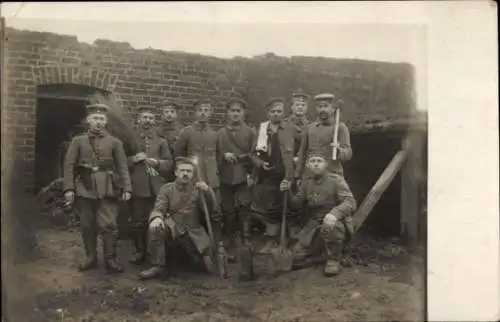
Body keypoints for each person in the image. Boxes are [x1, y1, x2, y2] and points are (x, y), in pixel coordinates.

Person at [63, 103, 132, 273]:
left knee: (109, 223)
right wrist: (69, 189)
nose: (99, 122)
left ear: (106, 121)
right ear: (88, 120)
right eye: (95, 118)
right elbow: (69, 165)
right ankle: (91, 257)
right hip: (85, 187)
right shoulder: (78, 141)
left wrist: (127, 188)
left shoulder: (115, 142)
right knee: (87, 224)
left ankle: (110, 259)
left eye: (102, 119)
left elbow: (122, 166)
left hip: (107, 187)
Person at [138, 156, 220, 280]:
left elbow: (213, 208)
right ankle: (157, 265)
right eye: (182, 171)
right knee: (157, 228)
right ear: (176, 172)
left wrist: (208, 191)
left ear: (193, 174)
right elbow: (159, 208)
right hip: (173, 227)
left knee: (204, 267)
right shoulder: (167, 189)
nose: (185, 174)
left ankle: (185, 261)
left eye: (189, 171)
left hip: (193, 231)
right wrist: (157, 218)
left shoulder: (198, 190)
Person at [282, 152, 357, 277]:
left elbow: (350, 202)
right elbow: (296, 205)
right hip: (314, 225)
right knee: (296, 256)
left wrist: (334, 214)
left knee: (332, 228)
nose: (316, 164)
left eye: (319, 161)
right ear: (308, 166)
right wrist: (287, 191)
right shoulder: (307, 183)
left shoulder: (336, 180)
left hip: (335, 223)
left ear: (326, 164)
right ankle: (320, 256)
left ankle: (333, 259)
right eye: (313, 161)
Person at [128, 105, 173, 265]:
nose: (147, 121)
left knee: (156, 218)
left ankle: (154, 252)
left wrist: (158, 162)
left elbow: (169, 163)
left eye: (151, 118)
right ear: (138, 120)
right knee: (138, 220)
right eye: (144, 117)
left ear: (155, 121)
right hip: (138, 185)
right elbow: (119, 161)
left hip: (156, 186)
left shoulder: (161, 141)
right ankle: (139, 251)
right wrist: (133, 160)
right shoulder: (130, 139)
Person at [249, 97, 295, 254]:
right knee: (271, 207)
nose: (276, 114)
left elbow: (303, 145)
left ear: (283, 112)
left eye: (279, 111)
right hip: (269, 175)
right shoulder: (261, 130)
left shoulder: (291, 129)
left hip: (287, 174)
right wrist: (261, 164)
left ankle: (289, 239)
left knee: (289, 205)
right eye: (273, 111)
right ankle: (271, 238)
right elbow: (252, 153)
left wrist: (295, 161)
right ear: (268, 113)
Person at [216, 94, 256, 254]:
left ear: (243, 112)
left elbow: (255, 154)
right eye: (232, 111)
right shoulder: (220, 133)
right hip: (225, 173)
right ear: (227, 113)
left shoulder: (250, 132)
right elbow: (215, 153)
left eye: (238, 111)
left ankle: (246, 237)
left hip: (243, 173)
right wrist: (224, 156)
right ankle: (229, 236)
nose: (235, 114)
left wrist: (251, 174)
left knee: (245, 206)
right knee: (227, 208)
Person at [295, 93, 352, 179]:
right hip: (311, 176)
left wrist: (339, 150)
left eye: (326, 106)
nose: (323, 110)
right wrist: (298, 175)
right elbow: (302, 154)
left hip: (333, 175)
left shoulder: (340, 127)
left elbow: (348, 153)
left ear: (332, 109)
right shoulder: (310, 128)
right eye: (320, 107)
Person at [158, 100, 183, 181]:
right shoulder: (157, 130)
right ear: (162, 115)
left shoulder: (181, 131)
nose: (169, 114)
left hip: (177, 164)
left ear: (176, 114)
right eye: (166, 112)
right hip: (162, 165)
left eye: (172, 112)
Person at [284, 89, 312, 161]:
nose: (300, 107)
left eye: (303, 105)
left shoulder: (311, 126)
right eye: (297, 105)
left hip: (304, 161)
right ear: (292, 107)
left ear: (307, 108)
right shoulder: (284, 124)